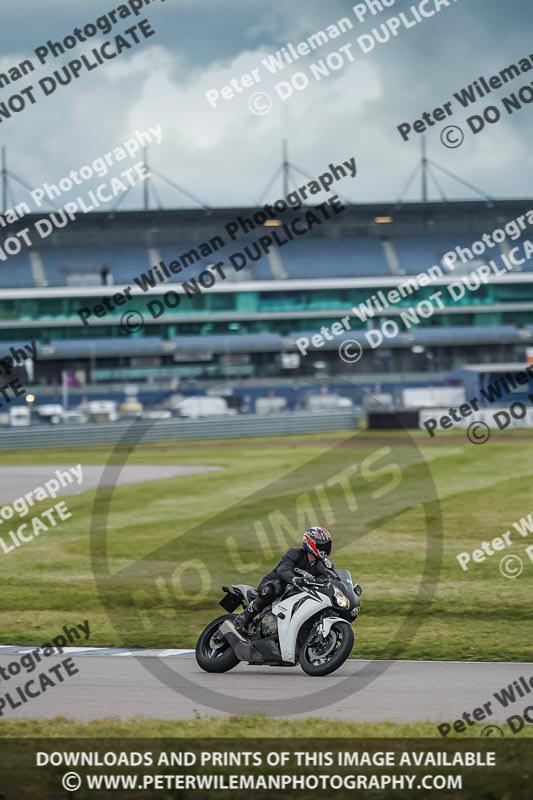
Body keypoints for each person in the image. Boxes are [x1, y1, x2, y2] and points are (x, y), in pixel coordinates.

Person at [233, 526, 333, 634]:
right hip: (271, 584)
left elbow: (326, 581)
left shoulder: (320, 567)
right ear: (311, 543)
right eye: (321, 545)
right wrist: (294, 579)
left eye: (326, 546)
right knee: (277, 585)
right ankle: (244, 617)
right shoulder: (295, 553)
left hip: (294, 593)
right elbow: (283, 569)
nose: (325, 549)